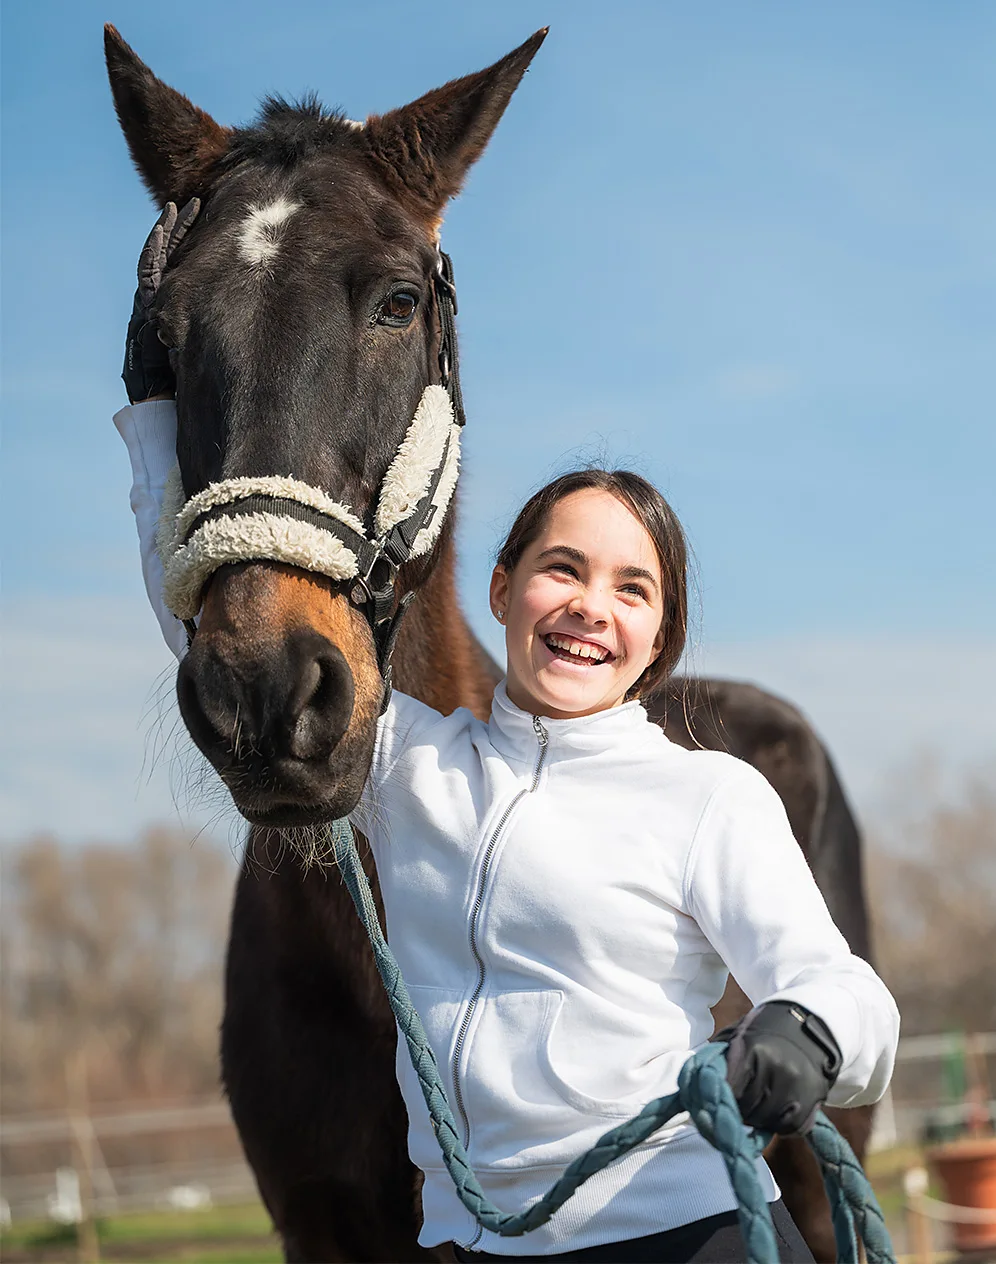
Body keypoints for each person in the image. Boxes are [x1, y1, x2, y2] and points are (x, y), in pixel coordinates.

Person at [115, 205, 899, 1263]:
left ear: (658, 634)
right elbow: (214, 622)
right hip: (478, 1246)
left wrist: (806, 1032)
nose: (590, 606)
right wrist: (155, 414)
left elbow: (845, 988)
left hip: (682, 1229)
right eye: (562, 570)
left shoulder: (708, 795)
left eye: (632, 587)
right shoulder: (411, 770)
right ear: (500, 585)